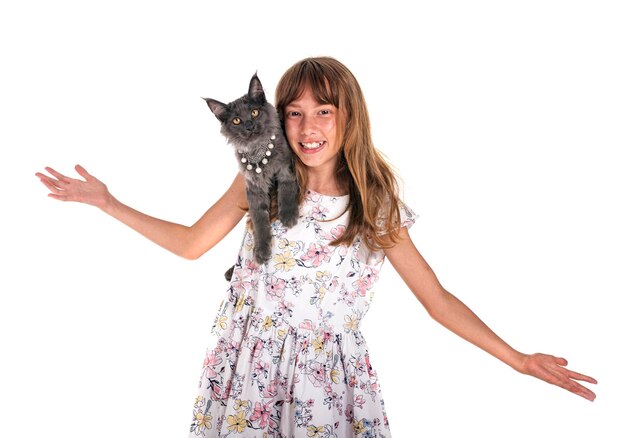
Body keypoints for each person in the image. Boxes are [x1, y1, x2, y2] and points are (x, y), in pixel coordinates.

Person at [36, 56, 597, 437]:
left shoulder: (373, 202)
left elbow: (437, 299)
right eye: (295, 112)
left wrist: (517, 359)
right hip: (248, 365)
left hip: (327, 376)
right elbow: (189, 244)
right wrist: (109, 204)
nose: (308, 126)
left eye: (324, 111)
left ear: (347, 117)